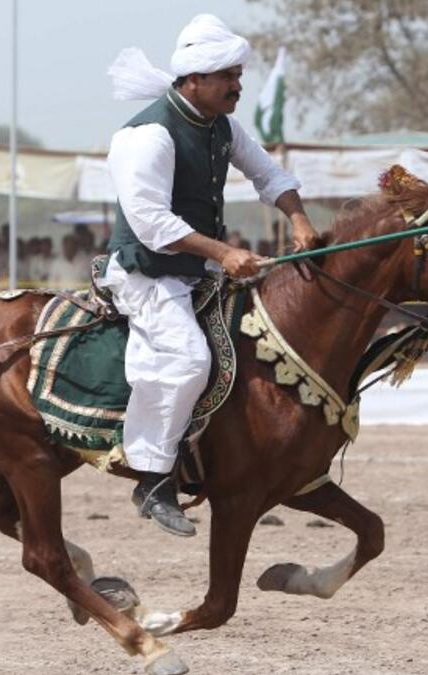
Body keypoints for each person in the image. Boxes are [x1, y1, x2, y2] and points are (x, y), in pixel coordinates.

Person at [102, 14, 317, 536]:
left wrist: (299, 218)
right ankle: (152, 478)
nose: (238, 86)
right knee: (189, 360)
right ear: (193, 79)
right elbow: (151, 223)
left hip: (196, 271)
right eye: (228, 77)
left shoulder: (222, 126)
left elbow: (267, 173)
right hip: (147, 274)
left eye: (239, 76)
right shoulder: (149, 135)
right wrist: (223, 253)